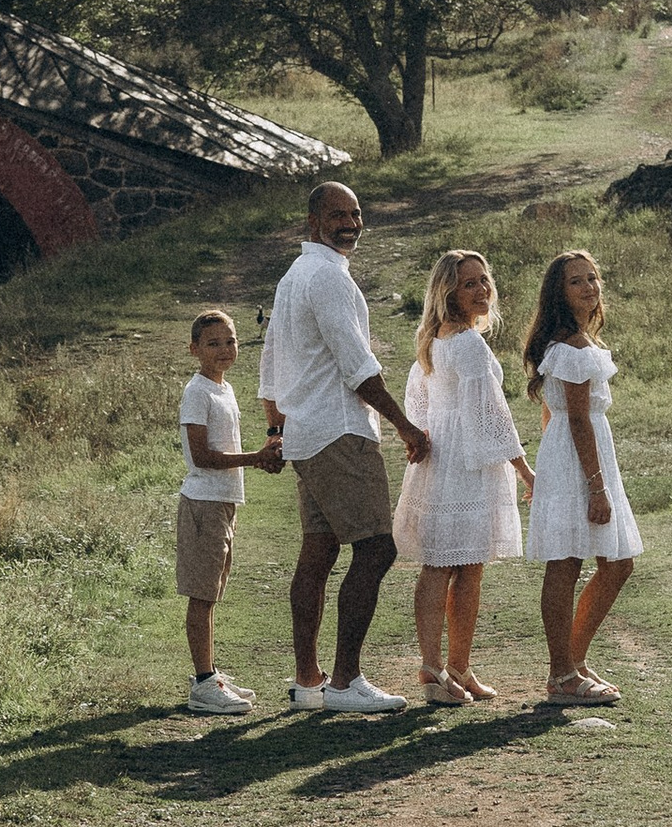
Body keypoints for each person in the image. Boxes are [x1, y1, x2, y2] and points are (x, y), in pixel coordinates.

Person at [257, 180, 432, 718]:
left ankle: (309, 680)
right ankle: (345, 680)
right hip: (337, 432)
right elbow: (359, 369)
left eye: (355, 213)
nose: (349, 223)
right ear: (313, 223)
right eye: (337, 215)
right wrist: (405, 426)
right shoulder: (326, 279)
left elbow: (270, 368)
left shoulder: (295, 277)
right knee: (377, 548)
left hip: (308, 435)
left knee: (319, 551)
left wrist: (278, 429)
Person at [393, 248, 529, 702]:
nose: (481, 289)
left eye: (483, 280)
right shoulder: (467, 343)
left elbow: (419, 397)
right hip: (466, 464)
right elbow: (492, 412)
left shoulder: (435, 338)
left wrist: (425, 436)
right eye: (469, 283)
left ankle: (454, 668)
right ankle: (437, 669)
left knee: (460, 565)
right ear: (448, 291)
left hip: (444, 457)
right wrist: (525, 469)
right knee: (452, 567)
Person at [523, 245, 642, 708]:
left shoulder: (575, 343)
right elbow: (575, 419)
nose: (589, 287)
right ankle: (562, 674)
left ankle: (571, 662)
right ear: (559, 293)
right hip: (578, 459)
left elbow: (555, 415)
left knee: (614, 562)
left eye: (593, 278)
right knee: (569, 562)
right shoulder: (571, 347)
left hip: (572, 455)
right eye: (577, 281)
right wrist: (595, 485)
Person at [177, 306, 281, 716]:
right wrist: (256, 458)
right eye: (213, 343)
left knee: (212, 591)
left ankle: (210, 673)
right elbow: (202, 456)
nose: (224, 350)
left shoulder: (226, 388)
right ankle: (204, 684)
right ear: (194, 349)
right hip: (203, 501)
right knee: (201, 593)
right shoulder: (197, 391)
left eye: (231, 341)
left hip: (224, 502)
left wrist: (263, 454)